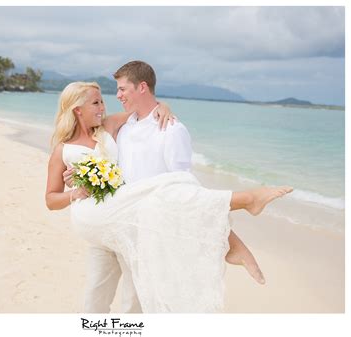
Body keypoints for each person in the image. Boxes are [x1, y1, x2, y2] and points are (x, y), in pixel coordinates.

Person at [45, 80, 292, 312]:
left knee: (134, 297)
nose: (103, 106)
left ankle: (233, 228)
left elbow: (144, 110)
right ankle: (244, 204)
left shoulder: (108, 127)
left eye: (102, 101)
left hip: (126, 219)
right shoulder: (63, 150)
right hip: (93, 217)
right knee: (164, 189)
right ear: (78, 110)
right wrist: (75, 192)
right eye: (96, 103)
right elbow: (50, 199)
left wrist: (164, 106)